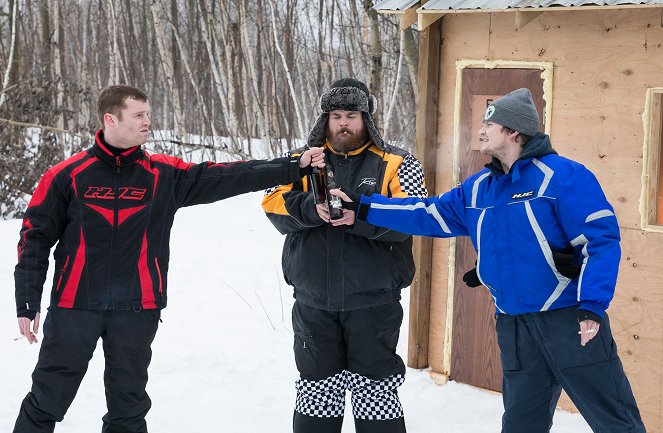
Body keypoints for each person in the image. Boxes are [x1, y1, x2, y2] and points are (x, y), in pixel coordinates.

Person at [13, 84, 324, 433]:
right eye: (139, 115)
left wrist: (291, 166)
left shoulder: (163, 174)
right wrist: (27, 300)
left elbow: (229, 176)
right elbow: (34, 239)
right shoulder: (66, 175)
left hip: (137, 307)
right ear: (110, 120)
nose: (148, 121)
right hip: (74, 307)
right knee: (46, 399)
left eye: (148, 113)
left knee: (128, 408)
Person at [334, 88, 646, 433]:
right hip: (515, 325)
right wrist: (362, 206)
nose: (481, 130)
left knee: (615, 421)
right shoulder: (480, 187)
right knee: (520, 424)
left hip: (569, 321)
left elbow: (600, 240)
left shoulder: (562, 177)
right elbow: (427, 212)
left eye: (491, 123)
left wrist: (591, 304)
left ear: (513, 131)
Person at [261, 78, 427, 433]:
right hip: (313, 303)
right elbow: (271, 203)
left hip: (374, 304)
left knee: (376, 394)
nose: (343, 123)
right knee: (316, 393)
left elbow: (413, 215)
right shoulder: (302, 160)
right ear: (325, 119)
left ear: (367, 117)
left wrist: (360, 212)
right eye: (336, 115)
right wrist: (311, 207)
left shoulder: (398, 162)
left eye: (352, 114)